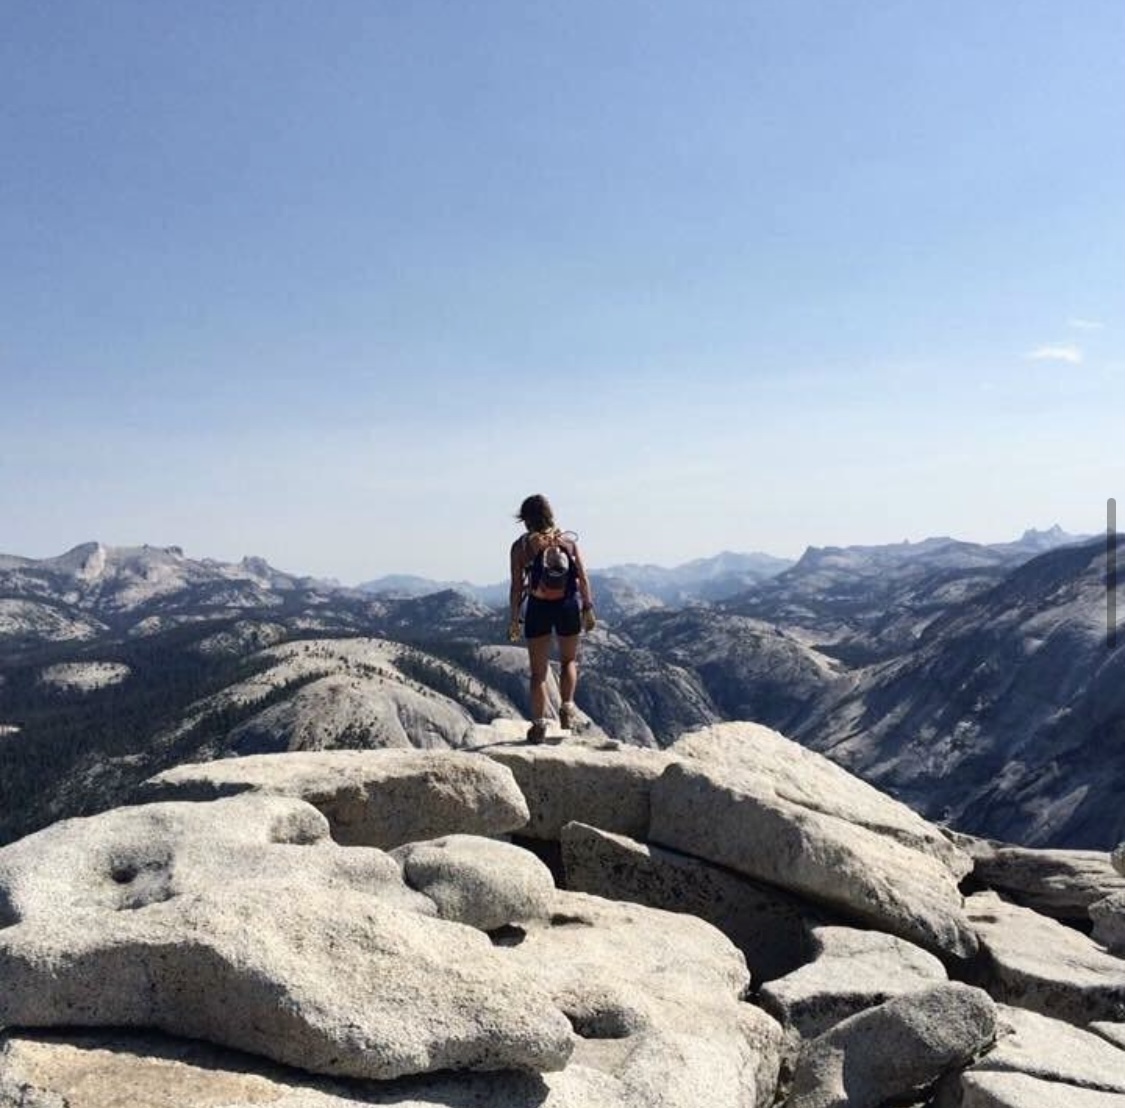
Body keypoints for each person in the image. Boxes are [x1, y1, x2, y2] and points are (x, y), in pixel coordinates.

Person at [508, 494, 596, 742]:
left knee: (538, 673)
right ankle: (567, 706)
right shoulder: (567, 542)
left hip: (538, 607)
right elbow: (582, 578)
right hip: (567, 605)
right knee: (569, 661)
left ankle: (538, 725)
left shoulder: (521, 547)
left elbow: (517, 586)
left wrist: (515, 618)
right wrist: (587, 607)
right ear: (550, 515)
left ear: (525, 519)